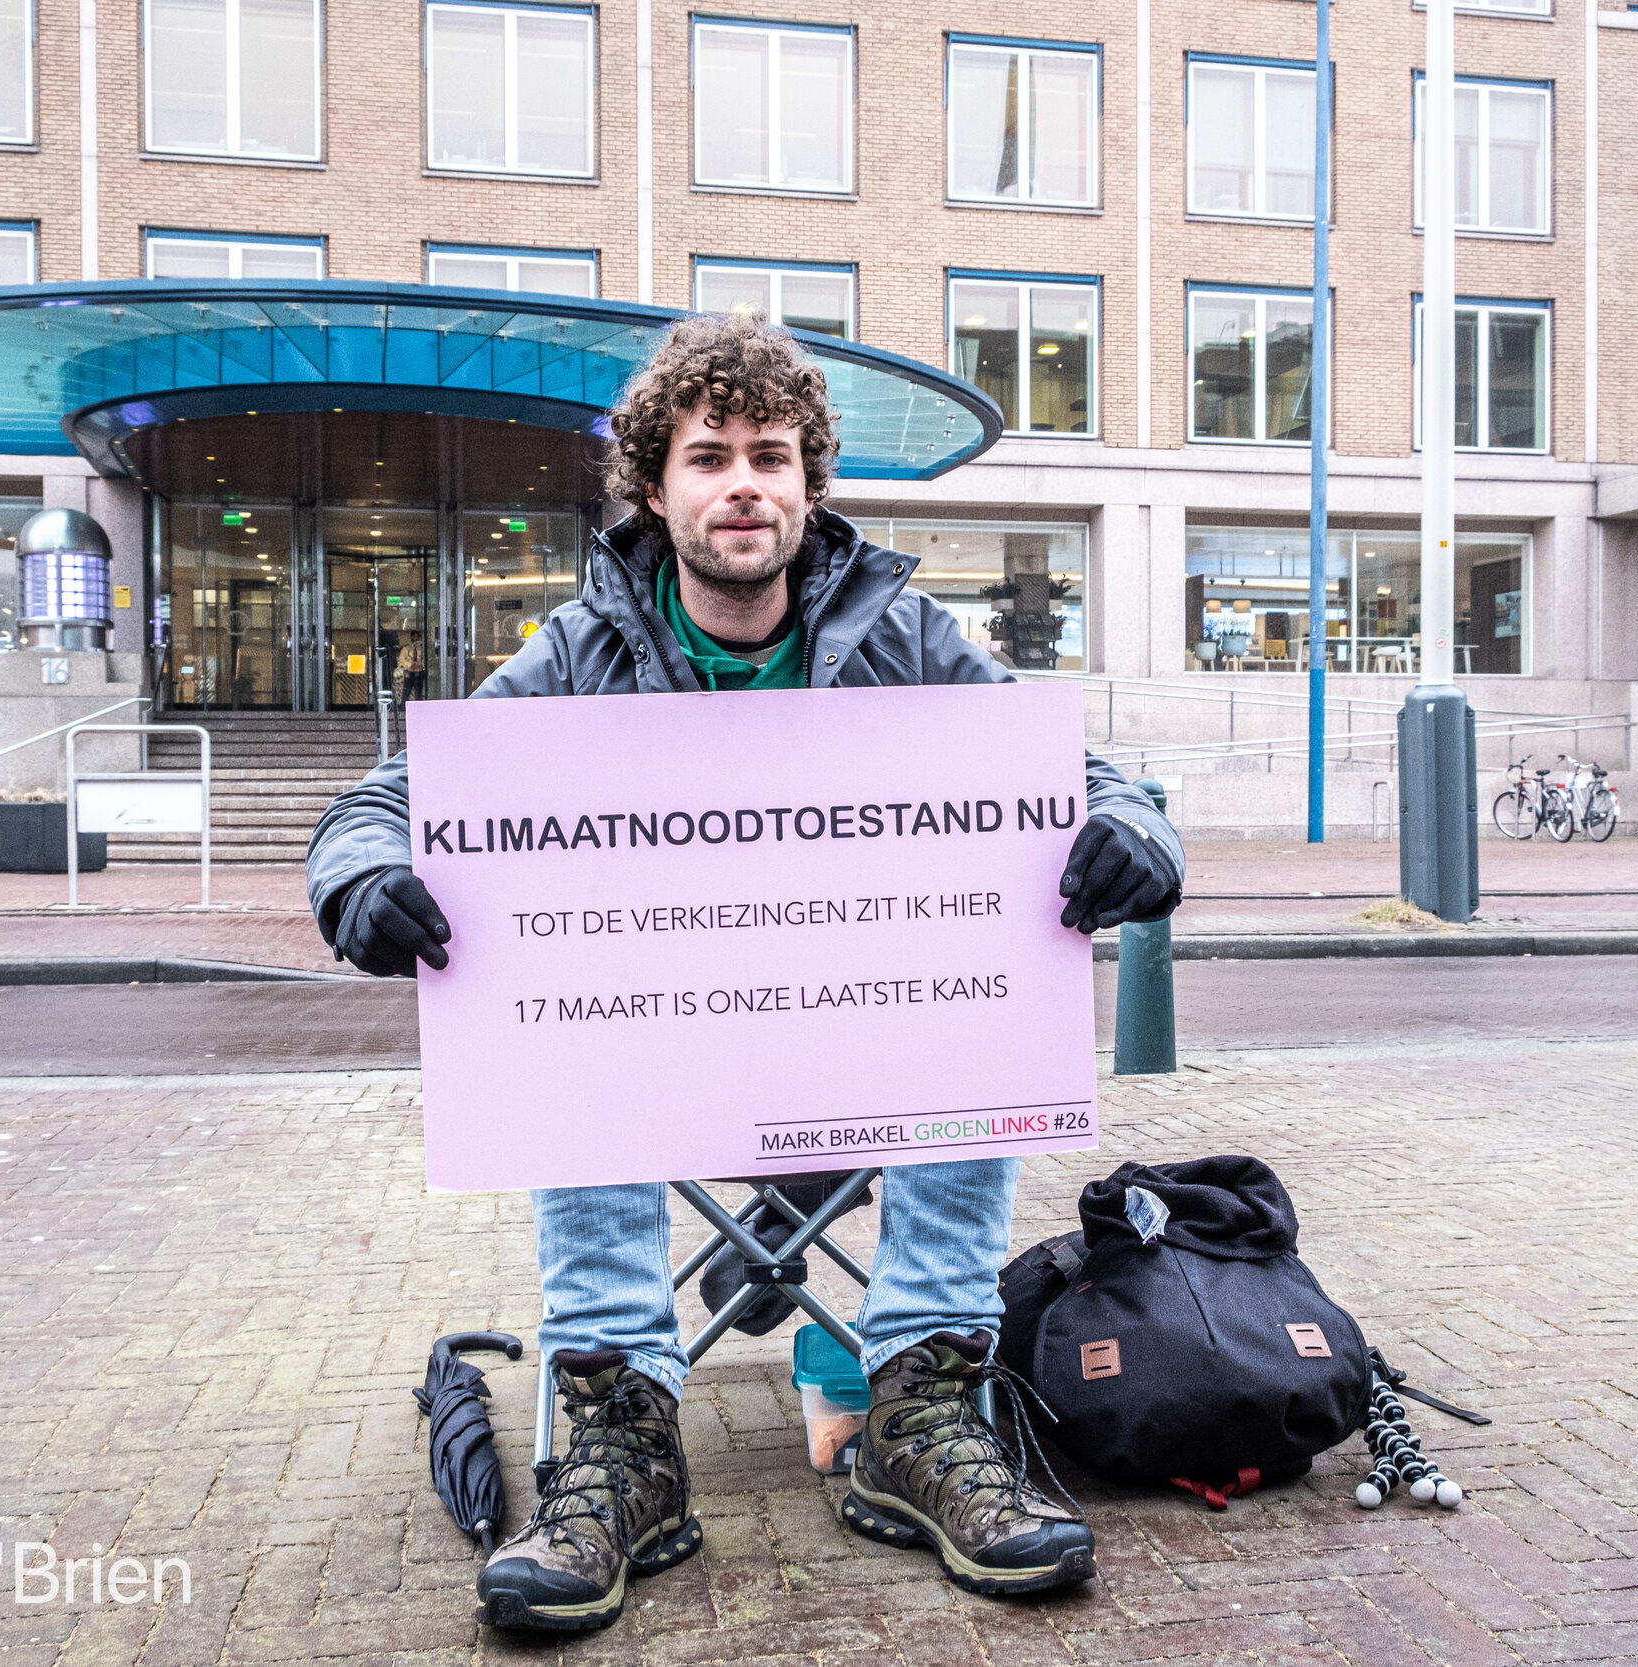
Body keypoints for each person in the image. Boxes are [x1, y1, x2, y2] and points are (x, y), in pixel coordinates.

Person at [304, 313, 1185, 1632]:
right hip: (660, 1048)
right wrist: (361, 875)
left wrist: (1136, 833)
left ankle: (924, 1406)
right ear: (654, 487)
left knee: (985, 1007)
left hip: (866, 1043)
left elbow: (1090, 777)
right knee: (565, 1024)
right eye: (709, 455)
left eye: (773, 456)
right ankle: (621, 1433)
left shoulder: (907, 634)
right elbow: (390, 797)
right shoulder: (581, 652)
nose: (745, 485)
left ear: (810, 483)